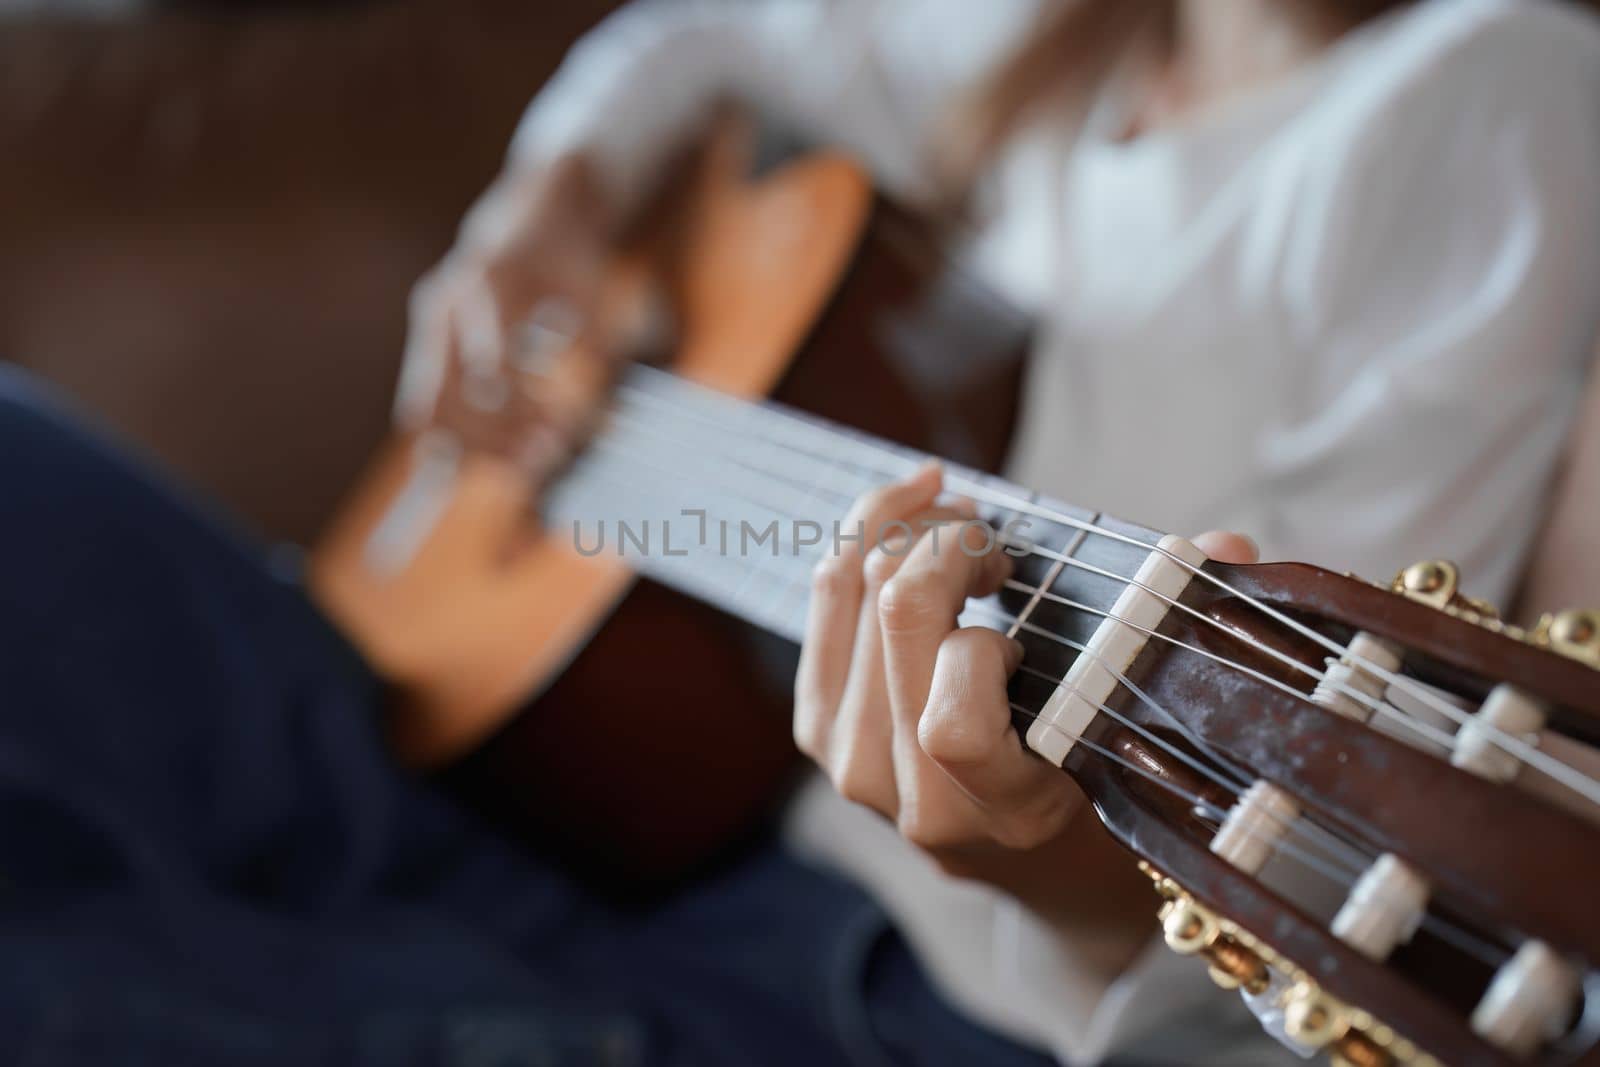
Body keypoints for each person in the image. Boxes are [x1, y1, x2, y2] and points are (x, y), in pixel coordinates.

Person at [402, 0, 1600, 1061]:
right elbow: (698, 35)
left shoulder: (1489, 85)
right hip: (690, 824)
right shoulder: (1055, 33)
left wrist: (1029, 863)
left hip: (907, 991)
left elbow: (1293, 818)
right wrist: (544, 207)